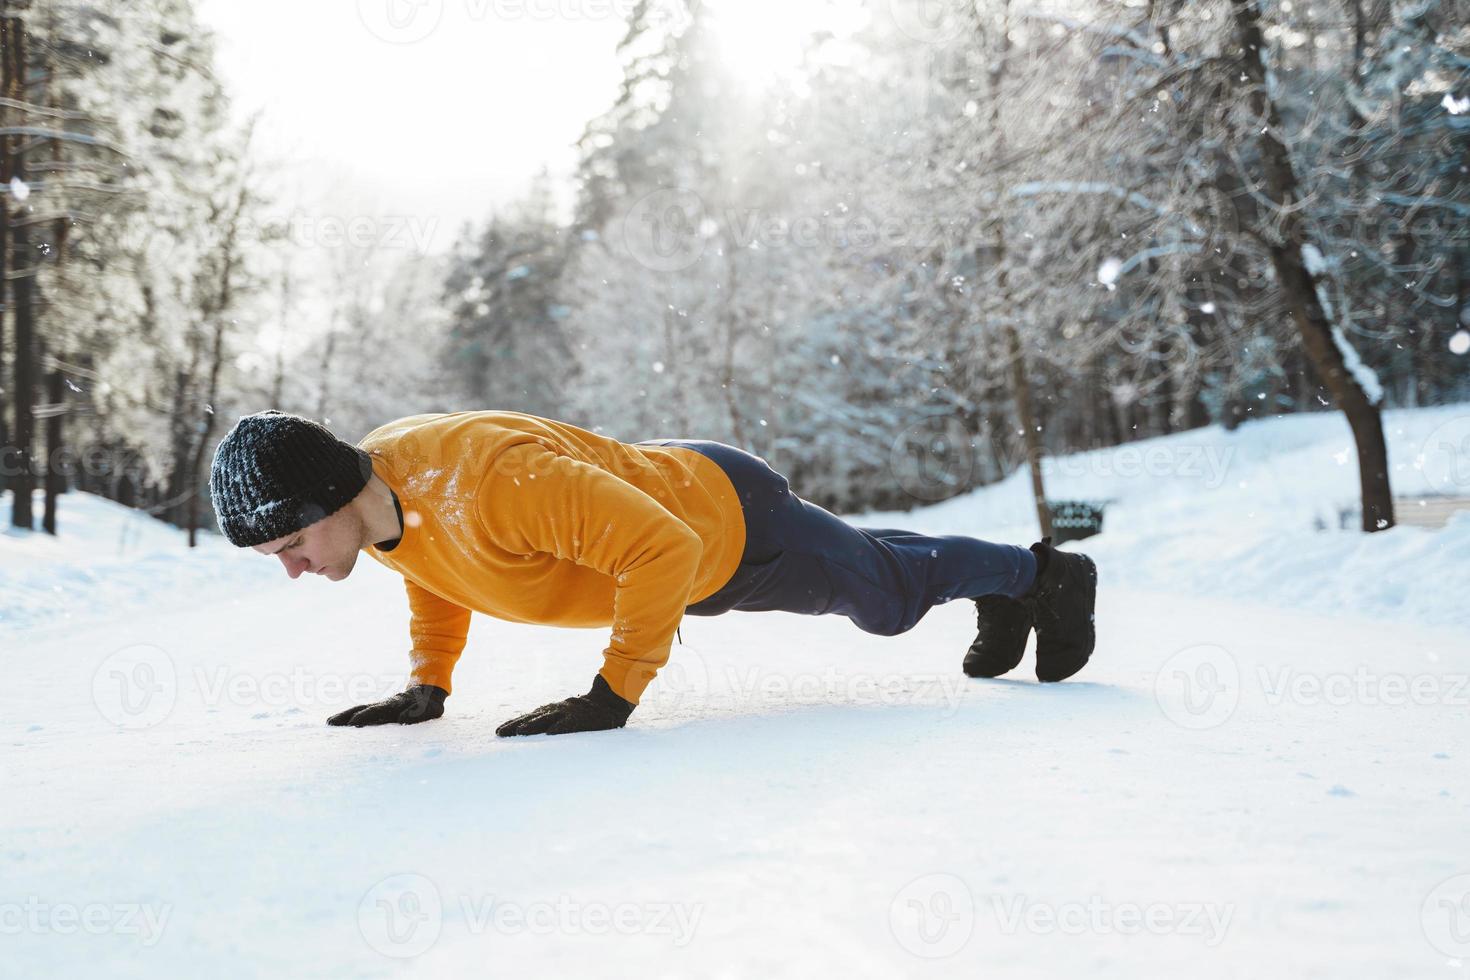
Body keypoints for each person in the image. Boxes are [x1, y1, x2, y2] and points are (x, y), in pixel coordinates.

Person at [207, 409, 1097, 736]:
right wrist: (428, 683)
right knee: (865, 562)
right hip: (687, 517)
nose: (291, 570)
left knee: (889, 600)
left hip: (723, 529)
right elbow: (436, 570)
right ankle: (1006, 584)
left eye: (287, 547)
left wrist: (614, 695)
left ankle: (1044, 578)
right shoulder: (391, 499)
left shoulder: (489, 480)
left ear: (328, 499)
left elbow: (663, 549)